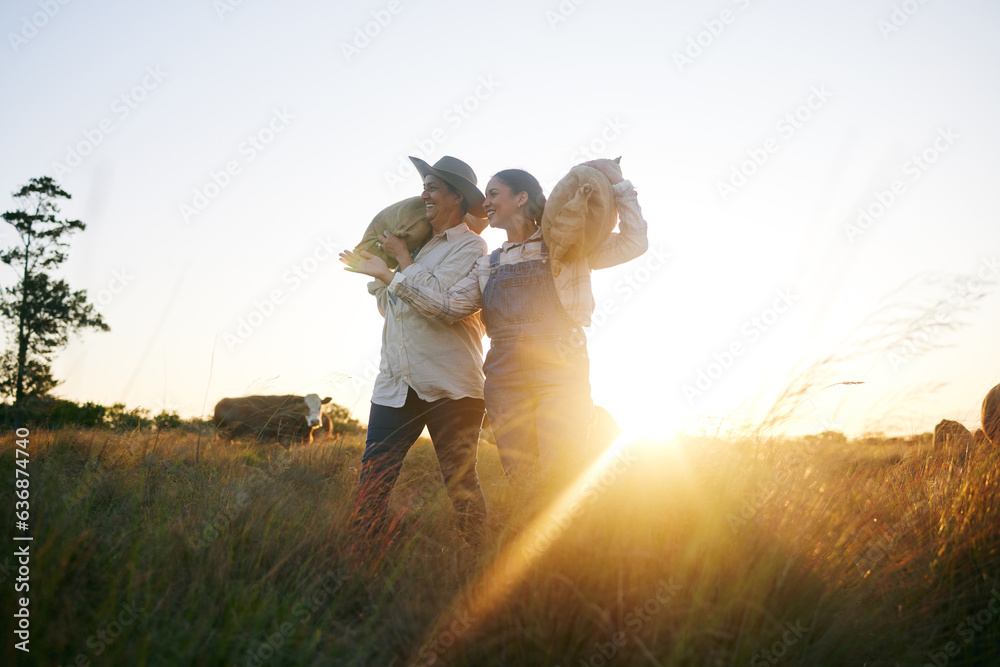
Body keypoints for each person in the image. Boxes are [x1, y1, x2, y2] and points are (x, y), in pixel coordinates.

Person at [341, 160, 648, 484]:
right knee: (522, 480)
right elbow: (447, 307)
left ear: (520, 198)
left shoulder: (566, 247)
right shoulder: (488, 265)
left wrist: (620, 186)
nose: (485, 204)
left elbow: (634, 243)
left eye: (493, 193)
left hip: (560, 368)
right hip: (505, 376)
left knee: (564, 475)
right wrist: (389, 277)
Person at [344, 155, 490, 545]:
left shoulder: (471, 247)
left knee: (461, 484)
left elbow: (438, 301)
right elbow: (393, 306)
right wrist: (382, 278)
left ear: (456, 198)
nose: (423, 194)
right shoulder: (415, 248)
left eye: (432, 187)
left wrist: (397, 266)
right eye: (423, 186)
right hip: (395, 383)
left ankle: (479, 560)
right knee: (373, 480)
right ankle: (362, 565)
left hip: (451, 386)